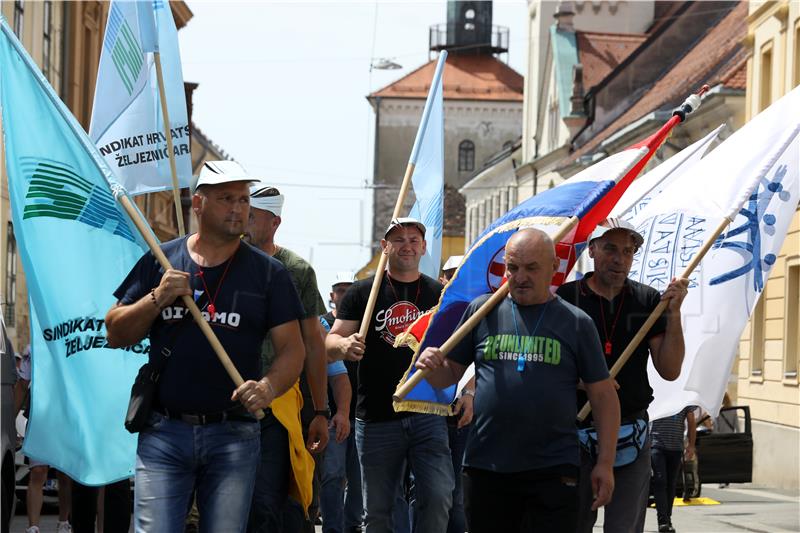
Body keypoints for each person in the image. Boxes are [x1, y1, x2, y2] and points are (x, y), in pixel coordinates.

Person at [105, 161, 305, 532]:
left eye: (244, 199)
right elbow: (115, 332)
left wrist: (268, 387)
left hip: (234, 434)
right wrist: (157, 298)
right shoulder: (161, 260)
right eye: (226, 198)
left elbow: (293, 350)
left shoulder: (268, 273)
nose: (238, 208)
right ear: (198, 204)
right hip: (164, 431)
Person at [416, 228, 620, 533]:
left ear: (554, 267)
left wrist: (605, 463)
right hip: (488, 467)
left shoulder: (576, 323)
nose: (520, 276)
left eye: (531, 268)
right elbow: (450, 374)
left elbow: (604, 397)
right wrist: (431, 367)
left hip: (553, 469)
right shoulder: (481, 312)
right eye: (512, 267)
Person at [556, 217, 689, 533]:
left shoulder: (647, 301)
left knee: (625, 528)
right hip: (574, 431)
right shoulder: (565, 298)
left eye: (628, 251)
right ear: (592, 250)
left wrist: (673, 313)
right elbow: (547, 366)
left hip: (630, 432)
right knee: (572, 524)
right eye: (610, 248)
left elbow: (670, 370)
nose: (619, 259)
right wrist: (585, 382)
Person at [325, 217, 454, 533]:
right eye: (398, 239)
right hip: (376, 417)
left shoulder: (440, 294)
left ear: (423, 247)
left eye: (413, 239)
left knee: (438, 496)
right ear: (384, 247)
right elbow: (329, 344)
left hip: (427, 412)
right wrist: (344, 344)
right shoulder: (361, 293)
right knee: (379, 513)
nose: (407, 245)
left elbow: (458, 350)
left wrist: (468, 393)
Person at [245, 183, 329, 532]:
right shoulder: (221, 261)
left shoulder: (296, 270)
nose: (240, 220)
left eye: (251, 215)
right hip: (222, 404)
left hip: (277, 407)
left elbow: (313, 343)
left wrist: (321, 411)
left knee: (267, 502)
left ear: (274, 222)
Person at [320, 272, 364, 533]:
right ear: (331, 295)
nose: (344, 294)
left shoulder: (365, 325)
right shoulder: (323, 324)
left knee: (358, 479)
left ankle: (352, 525)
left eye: (349, 289)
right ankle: (332, 528)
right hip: (331, 415)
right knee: (333, 475)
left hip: (360, 414)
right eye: (340, 289)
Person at [15, 344, 73, 533]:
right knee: (38, 471)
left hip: (66, 417)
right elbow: (23, 385)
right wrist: (8, 419)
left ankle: (63, 522)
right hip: (40, 418)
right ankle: (33, 526)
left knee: (65, 474)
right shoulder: (33, 348)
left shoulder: (69, 339)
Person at [439, 255, 472, 533]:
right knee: (431, 488)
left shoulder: (480, 311)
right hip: (431, 411)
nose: (455, 280)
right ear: (442, 279)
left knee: (458, 489)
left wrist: (471, 391)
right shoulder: (432, 314)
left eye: (460, 275)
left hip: (465, 413)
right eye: (451, 275)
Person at [649, 406, 697, 533]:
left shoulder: (683, 393)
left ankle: (667, 518)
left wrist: (691, 446)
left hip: (676, 448)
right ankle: (663, 521)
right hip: (656, 444)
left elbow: (691, 419)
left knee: (671, 484)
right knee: (660, 481)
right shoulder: (657, 390)